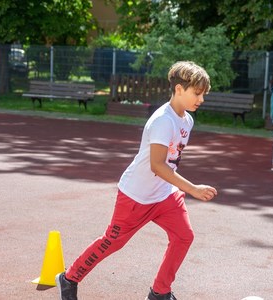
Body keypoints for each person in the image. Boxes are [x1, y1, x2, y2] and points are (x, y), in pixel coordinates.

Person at [55, 61, 218, 300]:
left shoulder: (187, 120)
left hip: (165, 195)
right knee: (112, 242)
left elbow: (169, 163)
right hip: (136, 196)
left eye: (203, 94)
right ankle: (69, 278)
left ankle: (160, 293)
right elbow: (158, 165)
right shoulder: (163, 120)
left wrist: (180, 189)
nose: (201, 99)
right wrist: (193, 189)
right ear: (180, 89)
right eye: (197, 93)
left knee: (184, 236)